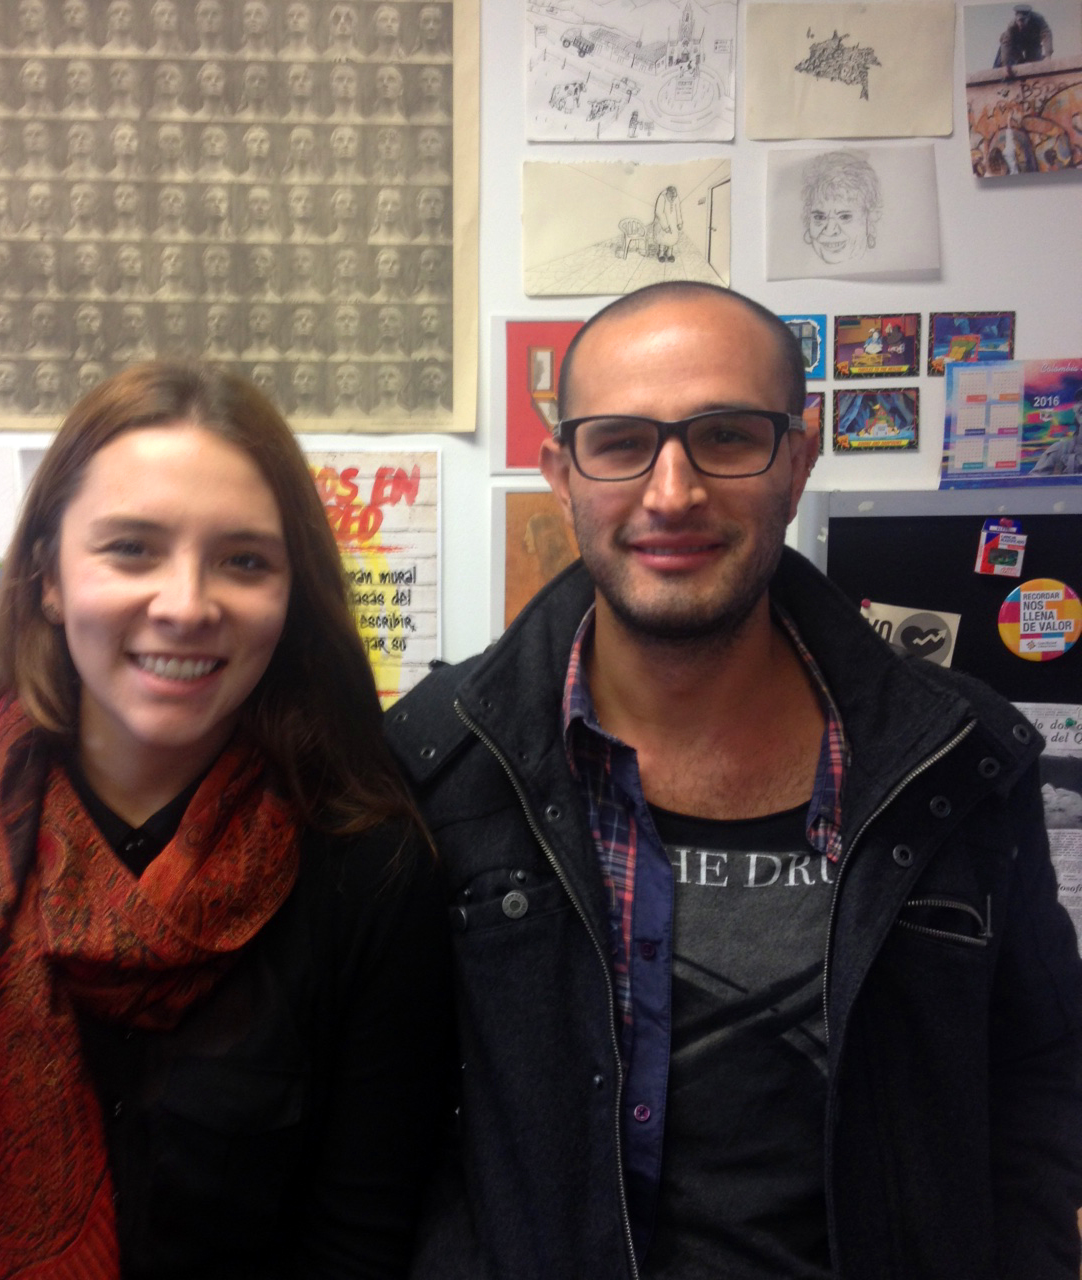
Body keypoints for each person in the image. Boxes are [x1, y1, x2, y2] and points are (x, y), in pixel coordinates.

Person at [385, 283, 1082, 1280]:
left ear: (797, 460)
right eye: (621, 442)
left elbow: (1033, 1077)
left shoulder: (959, 759)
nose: (671, 492)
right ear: (562, 475)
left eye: (725, 436)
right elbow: (390, 1131)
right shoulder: (441, 761)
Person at [0, 363, 451, 1280]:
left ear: (291, 595)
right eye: (132, 549)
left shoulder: (368, 865)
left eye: (244, 560)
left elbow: (357, 1243)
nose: (186, 604)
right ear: (47, 577)